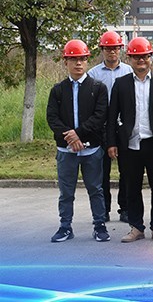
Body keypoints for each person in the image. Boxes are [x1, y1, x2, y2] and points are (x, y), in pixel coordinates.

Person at [106, 37, 153, 243]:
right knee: (132, 187)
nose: (141, 60)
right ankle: (136, 227)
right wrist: (111, 143)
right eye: (136, 56)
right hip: (130, 144)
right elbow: (112, 116)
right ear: (129, 58)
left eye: (145, 56)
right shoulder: (121, 84)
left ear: (151, 58)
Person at [47, 39, 110, 243]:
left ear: (87, 60)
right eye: (73, 59)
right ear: (66, 62)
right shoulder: (58, 90)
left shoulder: (98, 88)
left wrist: (79, 134)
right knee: (66, 192)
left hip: (91, 150)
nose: (78, 63)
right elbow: (52, 118)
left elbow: (100, 116)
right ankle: (65, 226)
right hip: (66, 151)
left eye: (82, 59)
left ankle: (99, 226)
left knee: (96, 189)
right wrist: (70, 136)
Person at [88, 30, 132, 225]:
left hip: (124, 127)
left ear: (120, 49)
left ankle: (125, 208)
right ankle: (103, 209)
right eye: (108, 48)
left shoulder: (129, 71)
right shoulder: (93, 74)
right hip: (102, 127)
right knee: (102, 172)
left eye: (115, 48)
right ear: (102, 50)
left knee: (127, 171)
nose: (112, 51)